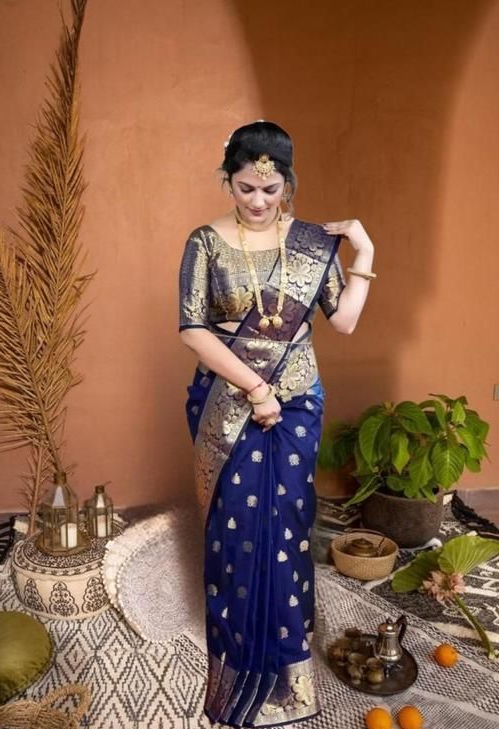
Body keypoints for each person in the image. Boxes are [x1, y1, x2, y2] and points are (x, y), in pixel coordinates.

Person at [179, 121, 375, 727]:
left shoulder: (311, 243)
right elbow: (192, 329)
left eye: (271, 189)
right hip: (230, 404)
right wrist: (256, 388)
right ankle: (239, 667)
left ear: (288, 183)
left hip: (297, 406)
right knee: (236, 533)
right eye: (245, 188)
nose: (259, 201)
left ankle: (290, 671)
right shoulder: (206, 242)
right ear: (228, 182)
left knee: (288, 527)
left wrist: (365, 253)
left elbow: (343, 322)